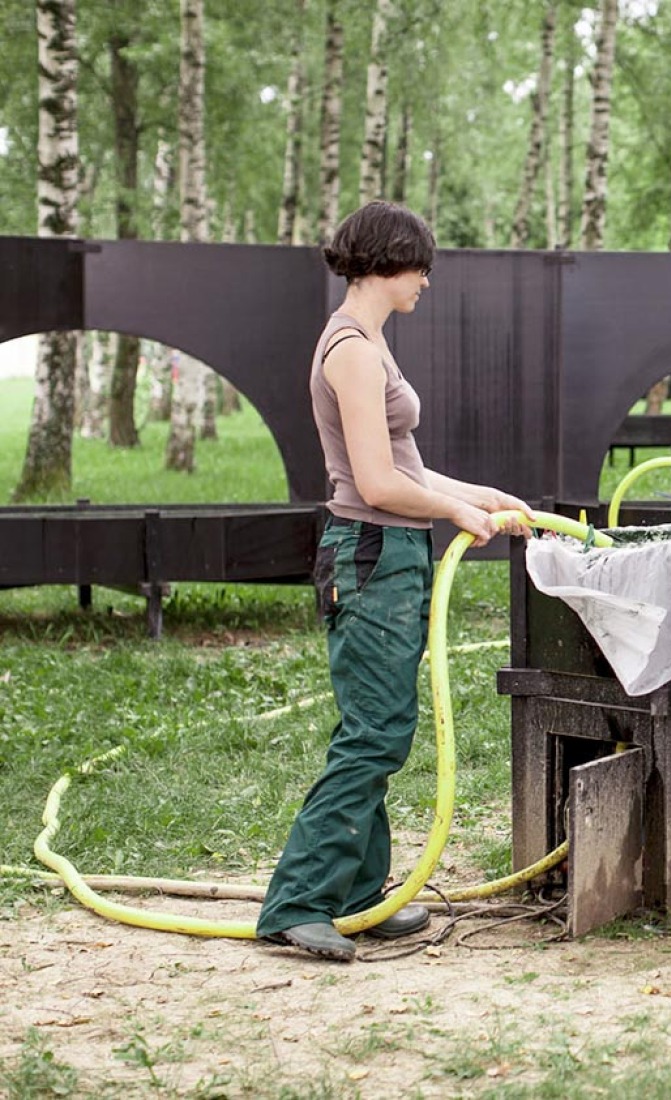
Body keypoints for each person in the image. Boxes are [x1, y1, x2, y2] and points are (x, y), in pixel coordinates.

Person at [257, 201, 531, 961]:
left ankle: (355, 896)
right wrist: (452, 510)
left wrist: (477, 495)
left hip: (393, 551)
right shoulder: (350, 349)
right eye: (421, 269)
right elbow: (376, 483)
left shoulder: (370, 344)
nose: (426, 284)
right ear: (387, 261)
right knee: (374, 732)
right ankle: (299, 902)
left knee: (382, 726)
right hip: (371, 552)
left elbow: (401, 465)